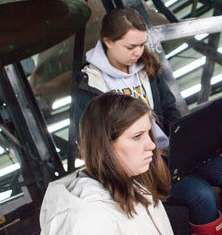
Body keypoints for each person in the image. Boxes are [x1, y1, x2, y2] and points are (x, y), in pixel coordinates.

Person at [73, 7, 222, 234]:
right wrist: (154, 152)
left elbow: (169, 108)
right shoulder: (90, 85)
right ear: (108, 42)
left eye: (141, 44)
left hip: (172, 154)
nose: (138, 52)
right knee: (200, 194)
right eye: (131, 47)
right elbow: (98, 142)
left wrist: (181, 141)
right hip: (140, 169)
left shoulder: (145, 66)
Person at [39, 92, 172, 234]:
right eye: (137, 136)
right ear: (105, 146)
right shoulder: (85, 219)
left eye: (148, 133)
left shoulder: (136, 184)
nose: (151, 145)